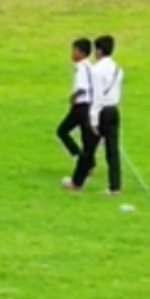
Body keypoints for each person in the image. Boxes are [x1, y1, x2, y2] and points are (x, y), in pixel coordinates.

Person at [67, 33, 124, 194]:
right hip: (114, 110)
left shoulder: (96, 70)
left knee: (88, 150)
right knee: (113, 151)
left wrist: (93, 119)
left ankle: (77, 183)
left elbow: (97, 96)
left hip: (100, 112)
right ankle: (115, 187)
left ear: (98, 51)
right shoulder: (118, 69)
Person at [56, 38, 95, 162]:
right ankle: (89, 164)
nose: (72, 54)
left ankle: (79, 156)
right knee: (86, 137)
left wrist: (73, 97)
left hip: (81, 105)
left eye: (74, 51)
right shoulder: (90, 66)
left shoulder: (81, 68)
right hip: (90, 104)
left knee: (62, 131)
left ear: (82, 53)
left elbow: (83, 87)